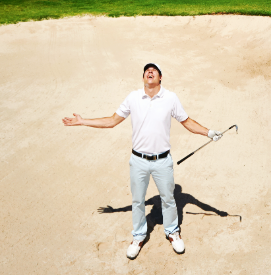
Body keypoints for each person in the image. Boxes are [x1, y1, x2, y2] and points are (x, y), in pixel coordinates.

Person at [62, 62, 222, 258]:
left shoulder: (170, 98)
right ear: (144, 77)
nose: (150, 72)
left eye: (154, 70)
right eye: (147, 70)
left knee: (169, 199)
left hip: (162, 160)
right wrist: (83, 121)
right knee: (138, 201)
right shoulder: (133, 97)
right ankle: (138, 236)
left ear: (160, 77)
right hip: (138, 160)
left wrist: (208, 132)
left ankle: (172, 232)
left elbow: (186, 121)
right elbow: (112, 121)